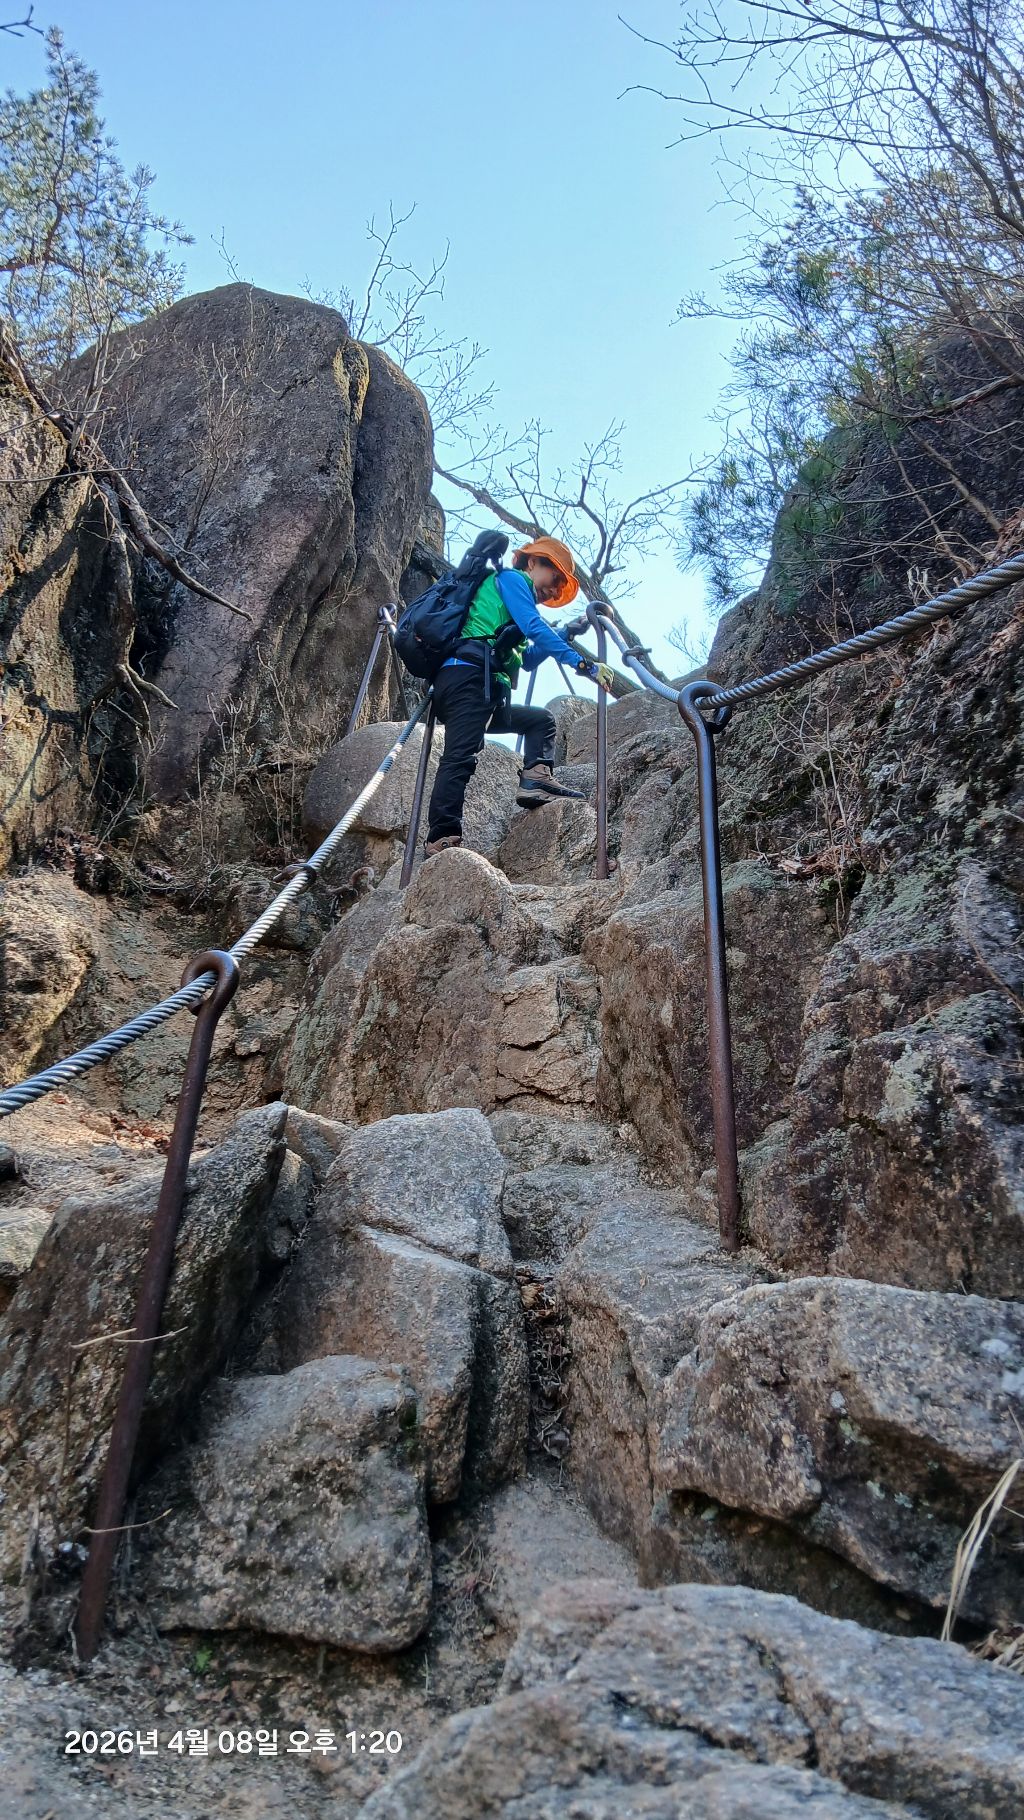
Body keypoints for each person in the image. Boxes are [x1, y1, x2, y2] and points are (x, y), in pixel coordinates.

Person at [423, 536, 614, 856]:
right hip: (466, 678)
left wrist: (567, 632)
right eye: (556, 578)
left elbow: (526, 659)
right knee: (460, 756)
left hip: (484, 689)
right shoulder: (512, 580)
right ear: (533, 561)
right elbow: (534, 627)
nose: (554, 590)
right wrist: (583, 664)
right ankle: (442, 837)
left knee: (540, 721)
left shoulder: (511, 606)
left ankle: (535, 781)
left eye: (560, 587)